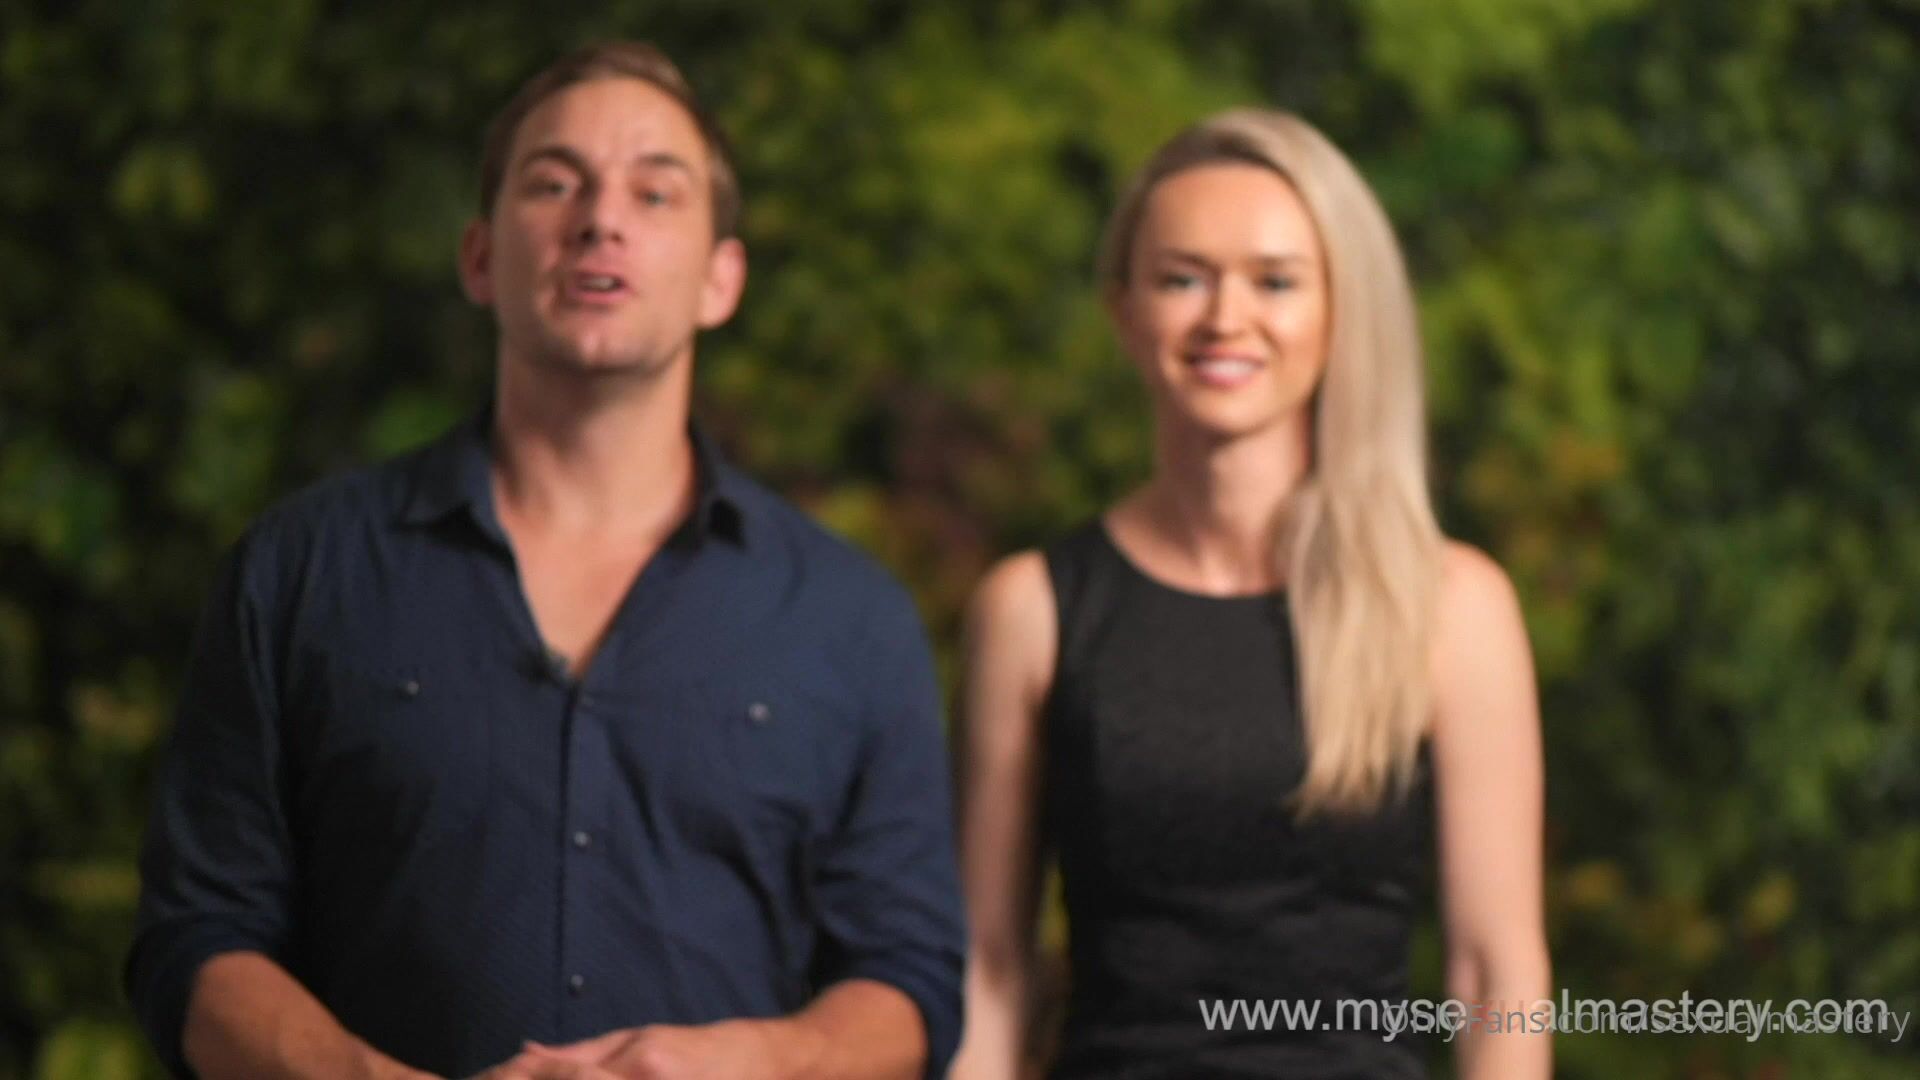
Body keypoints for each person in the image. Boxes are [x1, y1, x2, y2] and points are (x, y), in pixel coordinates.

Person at [125, 41, 964, 1080]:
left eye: (655, 193)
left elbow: (911, 981)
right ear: (480, 258)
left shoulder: (850, 618)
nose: (601, 219)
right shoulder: (298, 572)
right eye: (555, 183)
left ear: (721, 278)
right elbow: (197, 939)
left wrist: (756, 1061)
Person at [950, 109, 1551, 1078]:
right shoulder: (1031, 610)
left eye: (1275, 282)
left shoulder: (1452, 607)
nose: (1225, 319)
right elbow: (990, 967)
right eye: (1183, 279)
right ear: (1124, 309)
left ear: (1341, 311)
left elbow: (1497, 971)